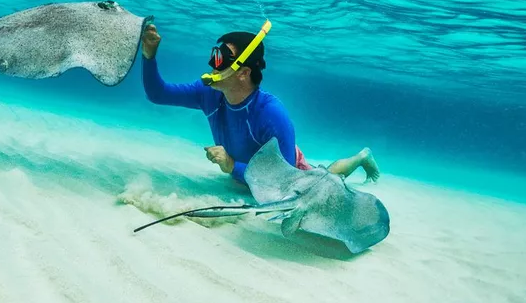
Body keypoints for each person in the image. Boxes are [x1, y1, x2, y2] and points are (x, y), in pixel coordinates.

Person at [140, 23, 380, 184]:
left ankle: (361, 157)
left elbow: (283, 181)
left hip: (289, 174)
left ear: (243, 73)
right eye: (214, 55)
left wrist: (232, 165)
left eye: (220, 58)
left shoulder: (272, 114)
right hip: (251, 178)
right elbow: (158, 94)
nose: (212, 64)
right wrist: (149, 56)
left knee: (327, 178)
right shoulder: (208, 93)